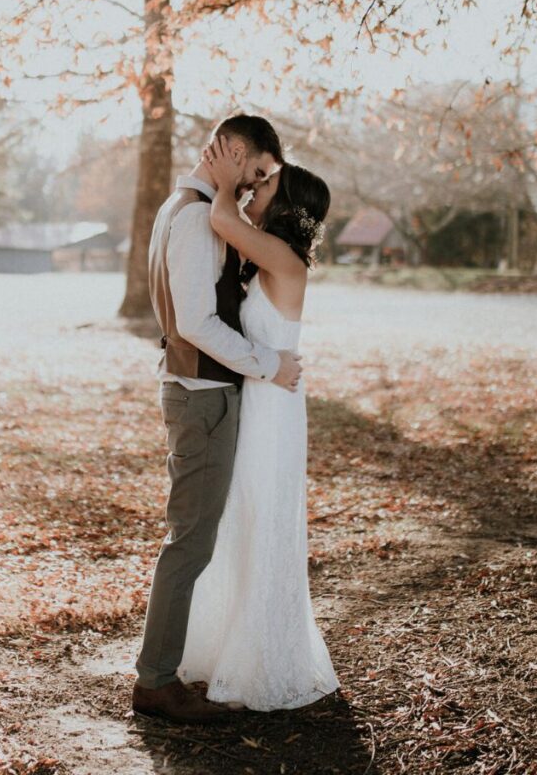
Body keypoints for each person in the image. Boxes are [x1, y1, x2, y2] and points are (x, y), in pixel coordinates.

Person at [132, 115, 304, 725]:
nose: (256, 185)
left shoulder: (184, 207)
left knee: (194, 536)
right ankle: (155, 682)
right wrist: (267, 364)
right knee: (191, 541)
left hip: (198, 391)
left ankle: (162, 669)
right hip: (202, 394)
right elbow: (195, 325)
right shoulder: (194, 217)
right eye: (254, 171)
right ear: (230, 150)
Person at [176, 134, 340, 711]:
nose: (253, 185)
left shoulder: (284, 259)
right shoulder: (267, 254)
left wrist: (223, 179)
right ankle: (230, 644)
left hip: (273, 411)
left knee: (261, 517)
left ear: (286, 205)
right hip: (262, 397)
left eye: (265, 182)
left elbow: (220, 216)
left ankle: (265, 659)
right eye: (256, 177)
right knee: (241, 519)